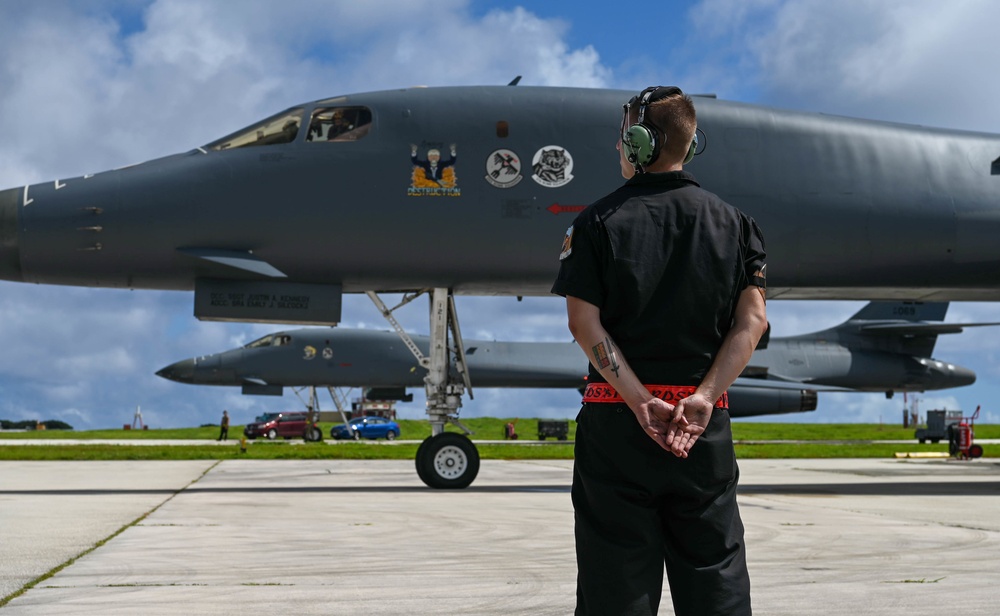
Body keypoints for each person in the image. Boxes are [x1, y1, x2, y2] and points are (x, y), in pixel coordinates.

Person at [551, 86, 768, 616]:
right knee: (715, 577)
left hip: (617, 426)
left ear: (641, 142)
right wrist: (703, 398)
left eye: (624, 136)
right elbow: (752, 321)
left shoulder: (595, 224)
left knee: (616, 584)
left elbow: (584, 323)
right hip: (702, 428)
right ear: (690, 146)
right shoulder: (736, 225)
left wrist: (641, 402)